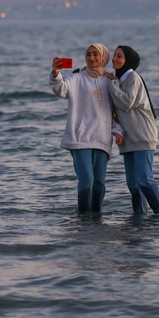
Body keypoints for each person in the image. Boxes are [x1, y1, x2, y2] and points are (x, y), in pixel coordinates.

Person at [50, 44, 123, 214]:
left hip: (102, 139)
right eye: (89, 54)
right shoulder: (77, 78)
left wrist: (117, 130)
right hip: (80, 138)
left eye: (96, 54)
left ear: (103, 57)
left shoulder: (111, 81)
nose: (92, 58)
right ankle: (83, 219)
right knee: (87, 183)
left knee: (99, 185)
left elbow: (115, 111)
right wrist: (56, 73)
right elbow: (61, 89)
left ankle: (96, 219)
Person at [105, 45, 159, 215]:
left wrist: (110, 81)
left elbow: (127, 103)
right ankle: (139, 217)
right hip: (128, 138)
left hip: (142, 135)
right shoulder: (119, 81)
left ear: (129, 60)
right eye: (114, 56)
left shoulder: (132, 77)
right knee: (133, 184)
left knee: (144, 179)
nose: (115, 59)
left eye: (120, 56)